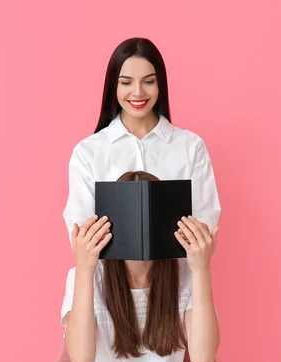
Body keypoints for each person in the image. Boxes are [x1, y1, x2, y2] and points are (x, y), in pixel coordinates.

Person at [62, 171, 220, 362]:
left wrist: (202, 268)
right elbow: (80, 358)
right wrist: (85, 269)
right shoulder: (90, 275)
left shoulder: (186, 273)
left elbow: (203, 358)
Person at [62, 37, 221, 242]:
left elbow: (203, 224)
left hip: (175, 273)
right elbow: (81, 234)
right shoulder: (88, 152)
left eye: (148, 81)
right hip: (107, 275)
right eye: (126, 82)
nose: (138, 92)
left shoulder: (191, 147)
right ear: (114, 87)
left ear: (160, 84)